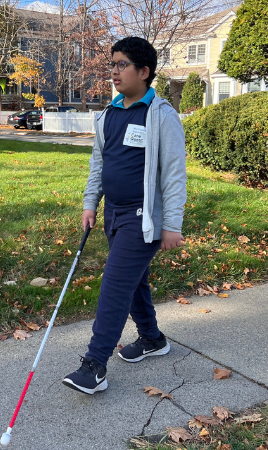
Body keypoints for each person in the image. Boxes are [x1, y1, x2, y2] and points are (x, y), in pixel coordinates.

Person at [63, 36, 188, 395]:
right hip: (113, 215)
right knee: (134, 282)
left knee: (115, 285)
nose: (114, 72)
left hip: (142, 217)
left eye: (122, 65)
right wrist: (91, 203)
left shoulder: (161, 115)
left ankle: (95, 364)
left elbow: (174, 174)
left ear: (144, 71)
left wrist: (171, 225)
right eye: (112, 64)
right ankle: (152, 338)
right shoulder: (108, 115)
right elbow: (98, 165)